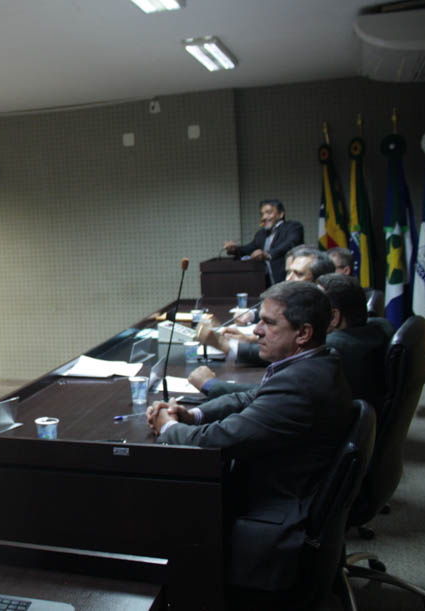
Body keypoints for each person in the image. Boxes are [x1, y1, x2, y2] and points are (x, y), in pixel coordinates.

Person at [147, 281, 351, 593]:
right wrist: (193, 415)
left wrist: (168, 427)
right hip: (294, 484)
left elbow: (216, 441)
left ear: (303, 333)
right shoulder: (318, 361)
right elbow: (251, 397)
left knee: (163, 501)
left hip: (276, 505)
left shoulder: (300, 385)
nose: (256, 330)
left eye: (269, 323)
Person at [190, 275, 393, 409]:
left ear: (333, 317)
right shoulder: (377, 327)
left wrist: (211, 385)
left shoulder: (336, 348)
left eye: (315, 303)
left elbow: (275, 394)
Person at [223, 199, 304, 284]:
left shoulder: (293, 227)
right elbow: (249, 248)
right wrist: (235, 249)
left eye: (268, 213)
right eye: (262, 214)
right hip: (265, 281)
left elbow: (290, 243)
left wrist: (268, 254)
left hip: (287, 279)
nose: (264, 217)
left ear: (281, 214)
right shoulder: (261, 234)